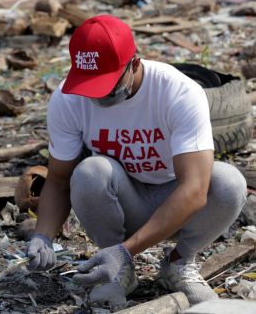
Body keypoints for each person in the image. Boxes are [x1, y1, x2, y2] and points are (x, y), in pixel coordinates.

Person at [26, 15, 247, 307]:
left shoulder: (177, 92)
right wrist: (43, 236)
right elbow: (58, 178)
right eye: (90, 87)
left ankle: (178, 264)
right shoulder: (67, 99)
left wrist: (126, 250)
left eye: (107, 86)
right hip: (125, 200)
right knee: (90, 172)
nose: (98, 96)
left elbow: (194, 189)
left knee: (229, 183)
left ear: (135, 64)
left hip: (178, 201)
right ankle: (118, 273)